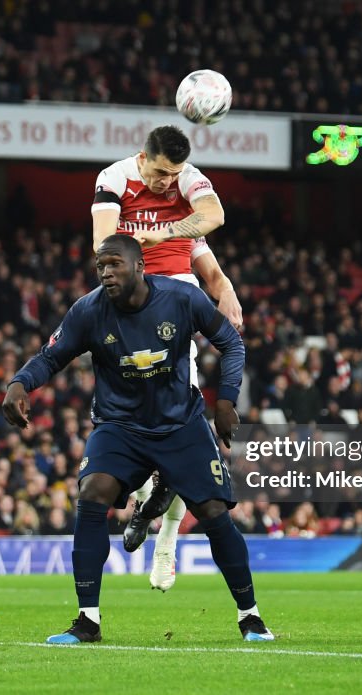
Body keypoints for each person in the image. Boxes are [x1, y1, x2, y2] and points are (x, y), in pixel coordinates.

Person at [2, 234, 274, 644]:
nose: (107, 273)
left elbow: (231, 344)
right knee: (92, 493)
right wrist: (21, 383)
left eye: (115, 264)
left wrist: (227, 401)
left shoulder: (181, 299)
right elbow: (50, 357)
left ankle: (250, 617)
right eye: (101, 266)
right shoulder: (88, 310)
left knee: (215, 512)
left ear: (140, 267)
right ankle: (87, 621)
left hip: (180, 424)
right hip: (120, 426)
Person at [91, 124, 243, 592]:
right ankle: (144, 504)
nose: (165, 182)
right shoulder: (114, 179)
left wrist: (226, 290)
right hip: (124, 317)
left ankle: (168, 542)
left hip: (175, 316)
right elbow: (103, 243)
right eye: (159, 173)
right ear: (143, 158)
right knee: (129, 431)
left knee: (182, 432)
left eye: (172, 174)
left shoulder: (185, 193)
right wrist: (147, 243)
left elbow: (212, 220)